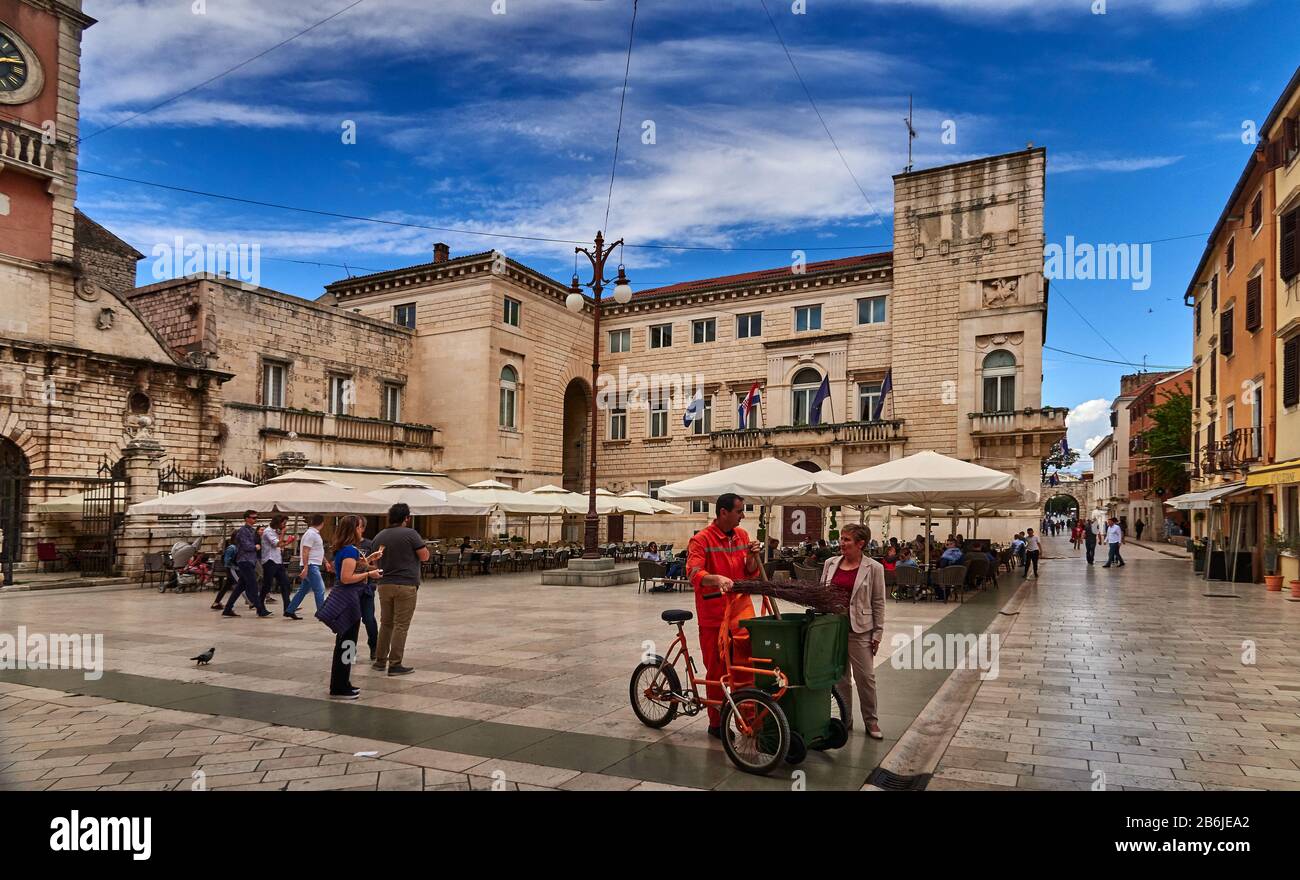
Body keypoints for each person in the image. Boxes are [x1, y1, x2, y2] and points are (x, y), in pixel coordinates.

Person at [686, 493, 762, 739]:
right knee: (716, 673)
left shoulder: (742, 536)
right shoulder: (701, 540)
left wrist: (752, 557)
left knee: (745, 669)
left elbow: (749, 573)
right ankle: (716, 724)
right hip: (713, 617)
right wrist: (715, 578)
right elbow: (694, 573)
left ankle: (749, 720)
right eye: (739, 511)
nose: (743, 515)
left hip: (741, 614)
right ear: (722, 513)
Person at [820, 523, 885, 740]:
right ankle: (846, 719)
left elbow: (878, 603)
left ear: (861, 544)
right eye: (841, 538)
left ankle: (871, 721)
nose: (842, 543)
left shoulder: (874, 568)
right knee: (840, 679)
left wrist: (877, 633)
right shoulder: (830, 564)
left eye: (847, 539)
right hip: (834, 629)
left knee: (866, 678)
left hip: (860, 631)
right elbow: (822, 595)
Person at [321, 515, 384, 699]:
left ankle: (344, 681)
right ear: (353, 530)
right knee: (346, 643)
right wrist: (370, 573)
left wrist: (370, 559)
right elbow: (346, 577)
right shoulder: (350, 550)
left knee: (347, 642)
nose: (361, 530)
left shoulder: (345, 549)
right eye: (359, 527)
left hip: (349, 599)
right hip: (349, 600)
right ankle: (339, 686)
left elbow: (353, 568)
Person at [371, 503, 430, 676]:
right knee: (401, 625)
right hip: (405, 585)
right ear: (407, 518)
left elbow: (374, 561)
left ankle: (380, 661)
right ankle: (395, 664)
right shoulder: (411, 534)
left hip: (384, 584)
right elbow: (424, 556)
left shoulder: (379, 535)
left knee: (386, 623)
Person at [223, 510, 271, 618]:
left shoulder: (252, 531)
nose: (255, 519)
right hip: (244, 561)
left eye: (256, 517)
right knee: (253, 585)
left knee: (240, 587)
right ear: (247, 518)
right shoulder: (243, 531)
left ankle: (227, 608)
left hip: (250, 561)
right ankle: (260, 609)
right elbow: (246, 546)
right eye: (253, 518)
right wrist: (255, 547)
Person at [286, 514, 327, 619]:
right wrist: (305, 567)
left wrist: (325, 562)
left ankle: (290, 610)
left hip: (312, 564)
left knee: (303, 590)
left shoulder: (313, 534)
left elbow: (317, 550)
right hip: (311, 565)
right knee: (320, 589)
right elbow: (305, 551)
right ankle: (321, 613)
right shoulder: (311, 534)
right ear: (322, 523)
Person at [260, 514, 296, 618]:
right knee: (267, 585)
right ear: (278, 522)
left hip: (277, 560)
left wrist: (287, 541)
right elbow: (277, 544)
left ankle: (288, 609)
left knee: (285, 584)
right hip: (269, 561)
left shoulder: (275, 532)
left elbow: (279, 545)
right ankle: (260, 606)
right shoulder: (268, 532)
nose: (285, 525)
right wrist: (284, 535)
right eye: (283, 523)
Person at [211, 531, 241, 609]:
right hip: (232, 569)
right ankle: (251, 602)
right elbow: (227, 561)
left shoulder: (237, 547)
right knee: (240, 585)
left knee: (226, 586)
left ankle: (216, 602)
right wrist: (235, 566)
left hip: (234, 569)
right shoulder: (232, 548)